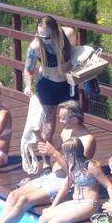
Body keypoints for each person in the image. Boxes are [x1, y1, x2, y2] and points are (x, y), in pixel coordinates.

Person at [0, 100, 96, 223]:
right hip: (53, 176)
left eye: (63, 118)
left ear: (74, 119)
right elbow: (53, 152)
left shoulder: (88, 140)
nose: (60, 121)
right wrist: (38, 136)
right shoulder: (67, 131)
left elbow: (77, 173)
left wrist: (54, 153)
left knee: (24, 200)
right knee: (13, 195)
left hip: (67, 183)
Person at [37, 137, 112, 223]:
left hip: (89, 204)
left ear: (71, 154)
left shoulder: (91, 166)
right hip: (76, 202)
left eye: (65, 153)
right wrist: (53, 206)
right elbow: (66, 185)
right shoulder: (71, 165)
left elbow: (108, 185)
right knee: (43, 219)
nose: (63, 155)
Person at [23, 16, 77, 170]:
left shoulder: (68, 34)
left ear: (55, 32)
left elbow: (76, 55)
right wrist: (28, 85)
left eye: (47, 36)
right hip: (47, 84)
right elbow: (28, 69)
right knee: (48, 127)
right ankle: (46, 162)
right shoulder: (36, 46)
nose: (44, 39)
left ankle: (73, 159)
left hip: (67, 84)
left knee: (74, 122)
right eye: (40, 35)